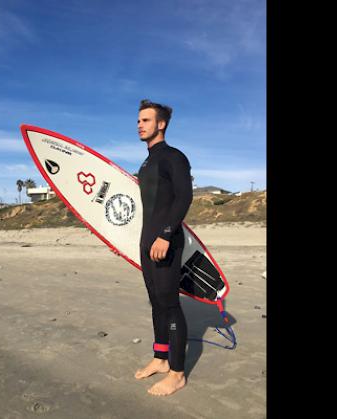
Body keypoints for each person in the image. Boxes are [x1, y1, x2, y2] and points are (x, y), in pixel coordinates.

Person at [133, 99, 193, 396]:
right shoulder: (146, 164)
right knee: (156, 302)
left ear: (161, 124)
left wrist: (166, 235)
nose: (140, 124)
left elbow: (183, 198)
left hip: (165, 242)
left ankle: (178, 373)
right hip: (147, 241)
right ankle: (160, 359)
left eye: (146, 120)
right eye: (139, 120)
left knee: (170, 305)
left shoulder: (173, 157)